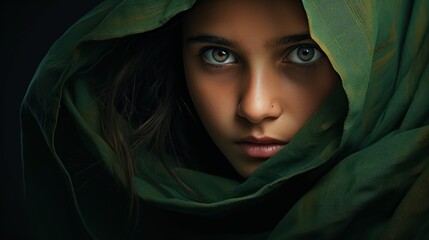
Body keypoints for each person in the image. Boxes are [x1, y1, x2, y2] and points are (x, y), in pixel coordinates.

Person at [20, 0, 429, 239]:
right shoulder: (120, 198)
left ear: (381, 52)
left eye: (306, 53)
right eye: (219, 55)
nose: (254, 107)